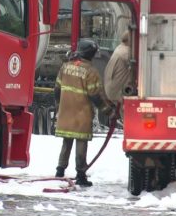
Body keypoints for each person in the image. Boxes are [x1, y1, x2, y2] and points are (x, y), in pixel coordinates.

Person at [54, 38, 115, 187]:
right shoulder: (91, 71)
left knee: (66, 142)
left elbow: (57, 89)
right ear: (91, 54)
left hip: (66, 111)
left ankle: (60, 171)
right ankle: (81, 175)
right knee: (81, 143)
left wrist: (59, 106)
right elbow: (95, 95)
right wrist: (108, 111)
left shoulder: (65, 67)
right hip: (81, 114)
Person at [104, 30, 134, 118]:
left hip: (111, 89)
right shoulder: (126, 52)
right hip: (118, 91)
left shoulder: (119, 48)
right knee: (127, 115)